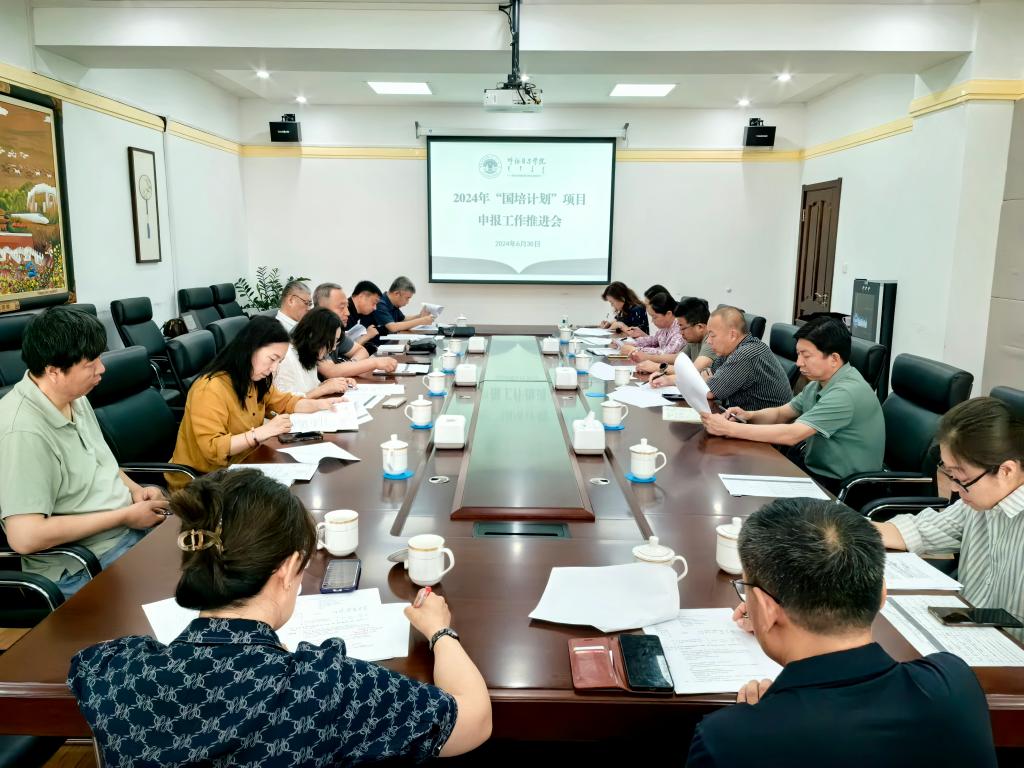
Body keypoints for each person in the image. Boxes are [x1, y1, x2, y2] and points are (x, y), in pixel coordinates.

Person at [68, 469, 492, 766]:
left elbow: (84, 663)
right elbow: (473, 720)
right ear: (288, 569)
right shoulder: (323, 686)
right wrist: (440, 631)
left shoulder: (113, 670)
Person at [686, 498, 997, 767]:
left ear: (767, 610)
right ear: (881, 594)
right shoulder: (954, 684)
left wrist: (762, 720)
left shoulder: (728, 741)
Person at [0, 307, 169, 597]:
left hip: (127, 529)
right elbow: (25, 536)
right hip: (86, 561)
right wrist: (125, 517)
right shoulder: (22, 432)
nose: (101, 368)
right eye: (90, 363)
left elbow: (100, 461)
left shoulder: (74, 396)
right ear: (54, 371)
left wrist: (135, 491)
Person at [875, 397, 1024, 629]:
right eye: (950, 474)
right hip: (965, 626)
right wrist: (840, 529)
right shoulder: (979, 502)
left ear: (1006, 471)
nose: (954, 488)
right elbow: (920, 530)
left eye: (962, 477)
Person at [701, 317, 884, 492]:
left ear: (834, 359)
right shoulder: (818, 384)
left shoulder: (845, 393)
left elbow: (792, 435)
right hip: (814, 469)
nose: (798, 363)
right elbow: (782, 414)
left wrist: (728, 428)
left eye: (806, 356)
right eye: (798, 354)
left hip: (844, 486)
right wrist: (749, 415)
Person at [168, 316, 346, 489]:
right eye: (272, 359)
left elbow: (286, 403)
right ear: (251, 348)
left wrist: (321, 405)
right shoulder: (209, 388)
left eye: (279, 361)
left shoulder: (254, 380)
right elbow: (212, 449)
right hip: (202, 483)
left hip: (243, 467)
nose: (274, 368)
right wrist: (260, 433)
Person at [700, 306, 791, 412]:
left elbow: (709, 393)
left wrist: (709, 382)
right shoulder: (731, 350)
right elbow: (708, 372)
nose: (708, 341)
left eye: (712, 335)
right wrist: (709, 381)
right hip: (744, 416)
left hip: (765, 421)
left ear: (733, 335)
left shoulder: (745, 355)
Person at [313, 282, 396, 377]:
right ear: (322, 309)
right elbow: (331, 372)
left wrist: (351, 365)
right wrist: (374, 363)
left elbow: (361, 350)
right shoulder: (313, 331)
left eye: (347, 306)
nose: (347, 313)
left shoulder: (335, 330)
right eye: (341, 307)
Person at [273, 308, 357, 398]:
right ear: (313, 335)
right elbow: (284, 402)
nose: (333, 348)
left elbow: (311, 389)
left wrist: (334, 383)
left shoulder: (309, 355)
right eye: (333, 341)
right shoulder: (286, 357)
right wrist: (324, 389)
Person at [640, 297, 717, 383]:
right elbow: (677, 358)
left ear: (699, 327)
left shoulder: (711, 341)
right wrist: (648, 358)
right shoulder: (694, 339)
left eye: (683, 328)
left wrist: (657, 367)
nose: (681, 333)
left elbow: (693, 371)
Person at [618, 292, 684, 361]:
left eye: (654, 317)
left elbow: (666, 354)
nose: (652, 321)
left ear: (668, 314)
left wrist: (636, 350)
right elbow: (653, 340)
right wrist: (627, 344)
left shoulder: (680, 329)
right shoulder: (665, 327)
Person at [345, 280, 384, 350]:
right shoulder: (344, 314)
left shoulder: (357, 313)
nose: (375, 308)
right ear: (361, 297)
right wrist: (367, 335)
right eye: (374, 303)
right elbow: (342, 349)